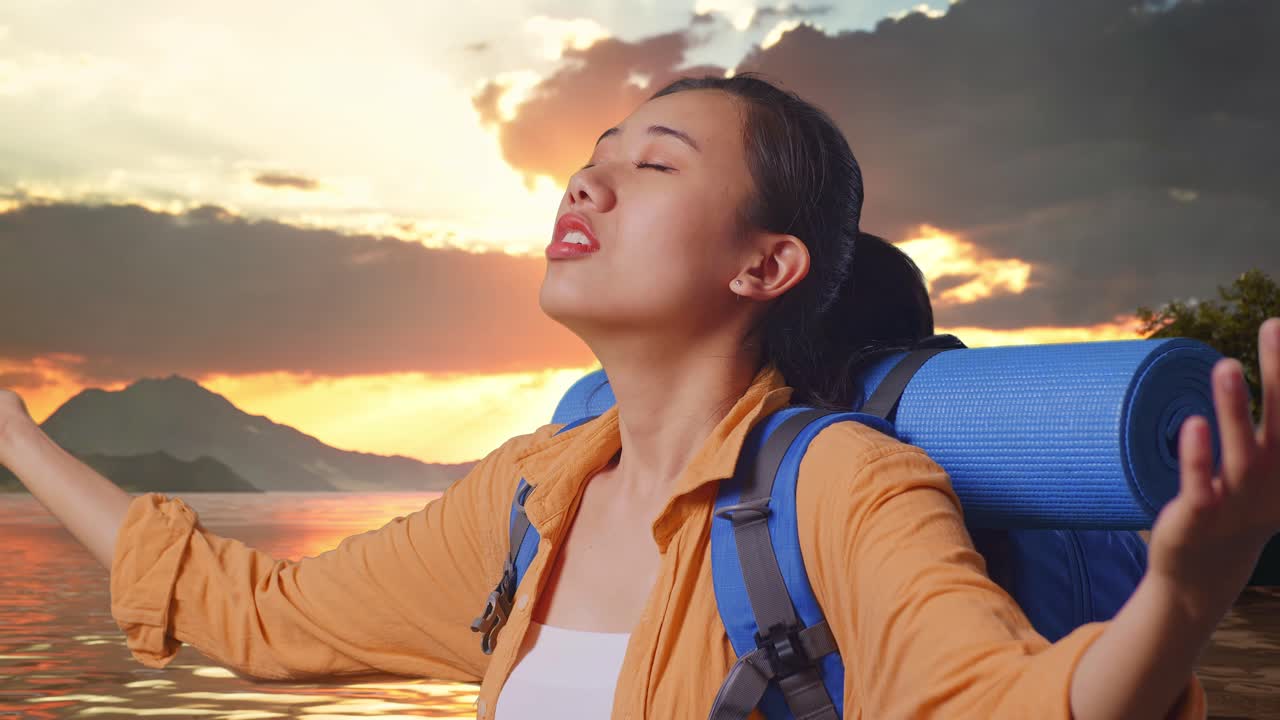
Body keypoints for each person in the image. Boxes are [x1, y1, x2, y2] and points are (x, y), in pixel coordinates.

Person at [1, 72, 1277, 720]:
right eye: (585, 162)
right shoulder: (523, 497)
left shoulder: (839, 482)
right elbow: (254, 615)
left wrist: (1180, 595)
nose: (586, 187)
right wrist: (18, 437)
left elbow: (992, 702)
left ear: (762, 264)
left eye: (651, 163)